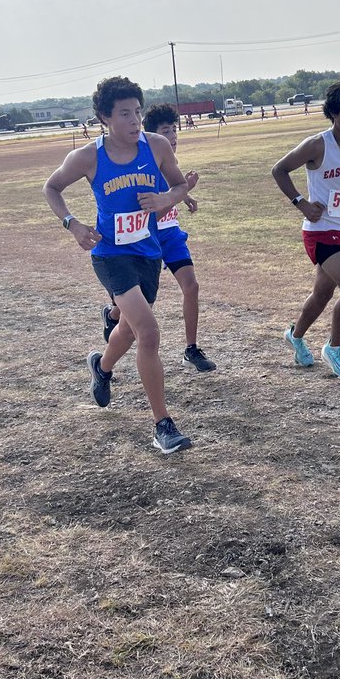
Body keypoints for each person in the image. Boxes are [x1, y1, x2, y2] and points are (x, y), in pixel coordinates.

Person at [43, 76, 195, 454]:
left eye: (138, 112)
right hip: (110, 255)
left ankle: (102, 366)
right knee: (148, 331)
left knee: (127, 332)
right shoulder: (88, 156)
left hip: (148, 252)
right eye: (125, 114)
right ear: (104, 118)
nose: (134, 121)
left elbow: (179, 186)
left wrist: (165, 199)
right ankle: (163, 425)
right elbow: (52, 187)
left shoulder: (157, 146)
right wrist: (72, 224)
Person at [271, 77, 340, 379]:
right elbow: (278, 169)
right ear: (333, 113)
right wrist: (301, 203)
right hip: (319, 231)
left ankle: (295, 335)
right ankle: (335, 348)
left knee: (322, 294)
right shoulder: (318, 144)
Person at [102, 103, 215, 373]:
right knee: (132, 307)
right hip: (144, 240)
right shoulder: (142, 165)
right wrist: (183, 190)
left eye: (174, 130)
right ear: (153, 136)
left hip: (171, 234)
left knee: (191, 286)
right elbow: (149, 213)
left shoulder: (168, 161)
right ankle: (112, 314)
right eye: (166, 131)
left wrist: (185, 194)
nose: (173, 137)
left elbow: (171, 191)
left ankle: (191, 348)